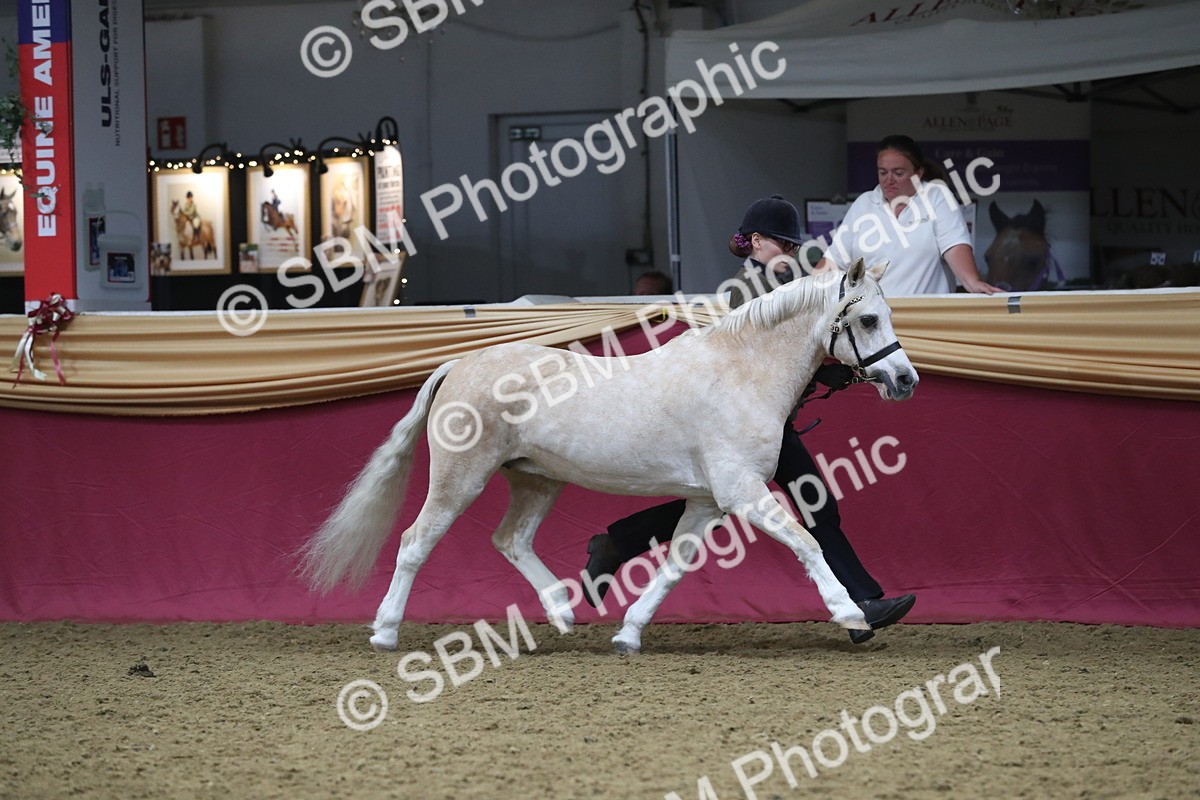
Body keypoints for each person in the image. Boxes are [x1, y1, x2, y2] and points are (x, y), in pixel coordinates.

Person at [583, 194, 916, 644]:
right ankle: (859, 603)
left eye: (793, 247)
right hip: (737, 424)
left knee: (722, 503)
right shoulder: (747, 292)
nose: (791, 254)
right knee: (753, 503)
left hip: (769, 421)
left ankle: (618, 543)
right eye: (783, 244)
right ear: (756, 241)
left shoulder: (789, 287)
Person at [815, 134, 1000, 296]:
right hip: (870, 324)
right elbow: (833, 262)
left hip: (923, 320)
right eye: (883, 172)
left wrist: (972, 282)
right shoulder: (864, 203)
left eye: (898, 173)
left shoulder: (936, 196)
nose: (889, 180)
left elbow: (955, 246)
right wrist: (801, 293)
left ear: (918, 173)